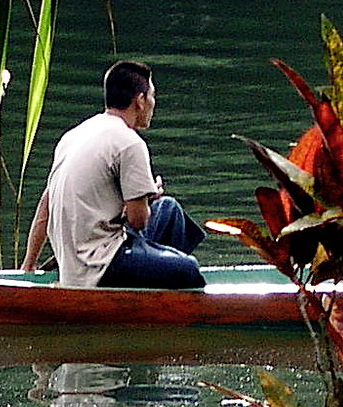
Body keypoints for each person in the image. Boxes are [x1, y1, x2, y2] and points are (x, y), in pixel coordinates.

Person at [20, 60, 209, 288]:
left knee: (169, 210)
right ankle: (146, 297)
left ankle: (145, 290)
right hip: (98, 263)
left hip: (73, 256)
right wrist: (144, 199)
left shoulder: (75, 134)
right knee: (189, 269)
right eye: (152, 96)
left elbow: (45, 205)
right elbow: (138, 220)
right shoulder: (130, 144)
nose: (153, 104)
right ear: (140, 101)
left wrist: (28, 264)